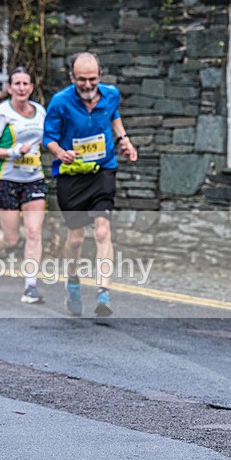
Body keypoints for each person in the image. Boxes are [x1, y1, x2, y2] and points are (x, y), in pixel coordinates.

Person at [43, 51, 138, 317]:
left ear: (100, 76)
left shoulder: (110, 94)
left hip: (102, 171)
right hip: (71, 176)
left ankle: (103, 292)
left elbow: (114, 116)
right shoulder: (60, 102)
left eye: (93, 80)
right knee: (75, 239)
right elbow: (48, 138)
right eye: (82, 80)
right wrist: (60, 153)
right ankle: (72, 281)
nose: (87, 85)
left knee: (102, 231)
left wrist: (124, 141)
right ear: (72, 76)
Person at [0, 66, 47, 303]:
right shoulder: (2, 112)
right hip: (5, 180)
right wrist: (14, 151)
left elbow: (46, 141)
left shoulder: (39, 111)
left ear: (31, 87)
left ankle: (30, 287)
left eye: (25, 83)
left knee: (34, 232)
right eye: (16, 83)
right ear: (9, 88)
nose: (21, 88)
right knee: (11, 239)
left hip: (33, 179)